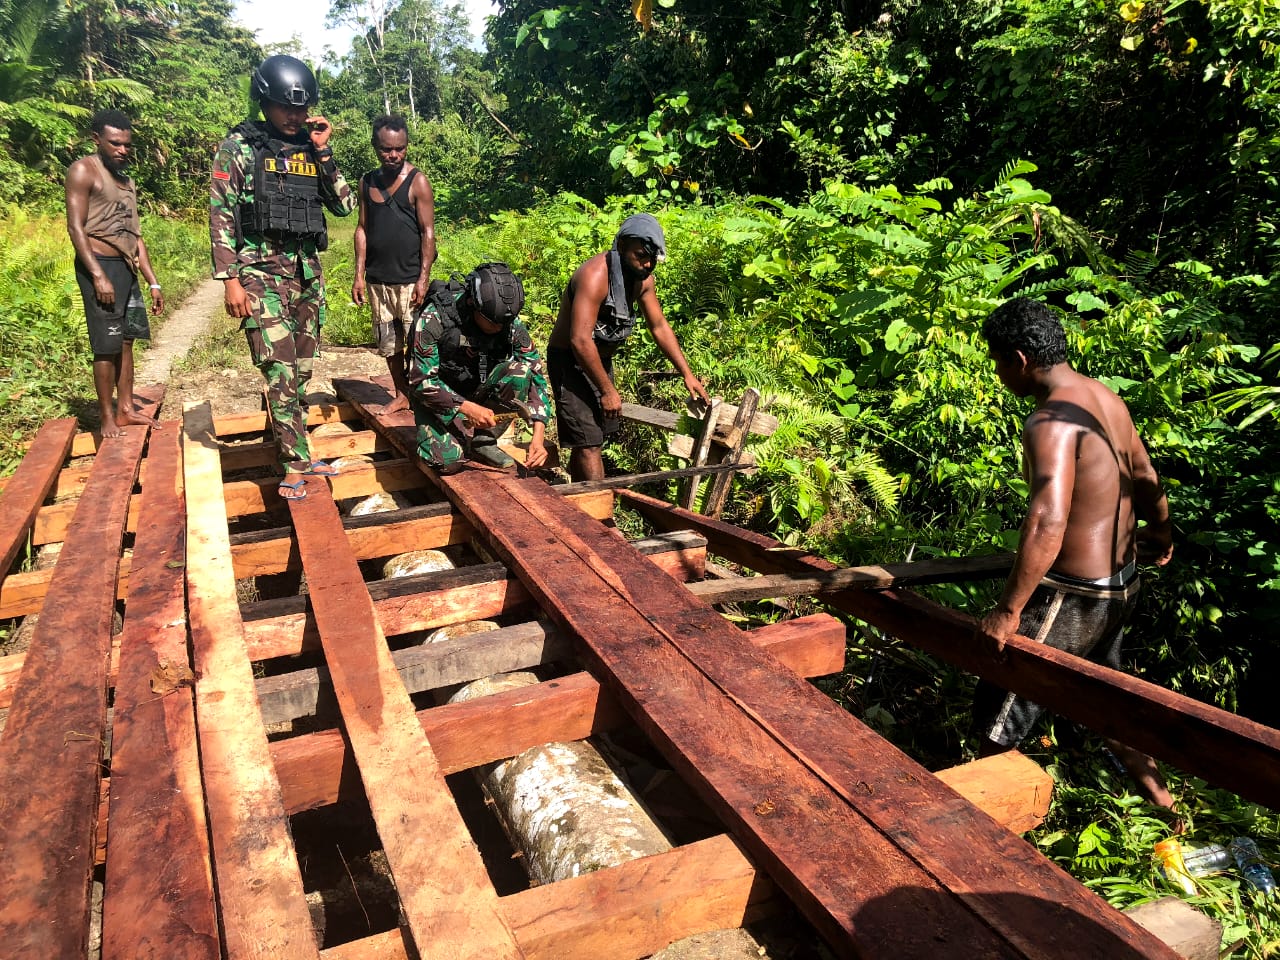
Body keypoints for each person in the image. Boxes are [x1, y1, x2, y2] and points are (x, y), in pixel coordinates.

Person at [972, 297, 1177, 814]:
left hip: (1073, 596)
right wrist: (1163, 529)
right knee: (1105, 701)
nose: (998, 373)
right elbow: (1146, 474)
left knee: (999, 720)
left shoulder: (1050, 421)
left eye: (997, 361)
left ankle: (981, 825)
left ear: (1019, 359)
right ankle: (1165, 805)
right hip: (1121, 584)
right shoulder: (1103, 397)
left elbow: (1048, 518)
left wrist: (1009, 609)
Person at [210, 55, 355, 501]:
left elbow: (344, 205)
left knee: (304, 368)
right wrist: (230, 278)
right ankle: (293, 464)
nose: (293, 116)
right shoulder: (240, 147)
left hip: (307, 274)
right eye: (284, 108)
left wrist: (323, 149)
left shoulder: (310, 147)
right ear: (264, 102)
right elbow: (221, 213)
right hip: (259, 273)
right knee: (280, 370)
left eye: (301, 108)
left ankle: (294, 446)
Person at [548, 213, 709, 481]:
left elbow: (658, 326)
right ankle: (600, 517)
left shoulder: (643, 279)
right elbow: (579, 340)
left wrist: (687, 374)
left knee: (592, 435)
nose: (647, 263)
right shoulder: (594, 276)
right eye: (640, 255)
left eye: (652, 258)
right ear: (621, 246)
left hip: (598, 359)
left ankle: (579, 499)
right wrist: (608, 390)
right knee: (589, 442)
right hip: (569, 359)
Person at [65, 109, 163, 439]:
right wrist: (96, 274)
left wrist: (153, 281)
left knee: (126, 341)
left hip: (125, 268)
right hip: (100, 267)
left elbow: (135, 237)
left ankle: (126, 410)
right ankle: (106, 416)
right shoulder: (83, 171)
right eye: (115, 144)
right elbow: (75, 227)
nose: (122, 150)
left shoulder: (126, 181)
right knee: (105, 346)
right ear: (97, 140)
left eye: (127, 145)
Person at [405, 262, 551, 473]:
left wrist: (538, 436)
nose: (499, 328)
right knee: (449, 463)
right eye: (493, 322)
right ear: (473, 303)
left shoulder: (507, 321)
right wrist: (466, 408)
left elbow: (535, 372)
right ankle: (449, 433)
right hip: (436, 397)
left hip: (478, 386)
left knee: (520, 372)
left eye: (503, 323)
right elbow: (420, 381)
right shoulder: (436, 317)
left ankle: (484, 442)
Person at [351, 115, 437, 415]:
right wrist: (358, 275)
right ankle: (401, 394)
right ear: (376, 146)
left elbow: (428, 233)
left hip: (410, 281)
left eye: (400, 149)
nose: (394, 155)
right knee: (390, 345)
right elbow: (361, 228)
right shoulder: (367, 181)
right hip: (377, 280)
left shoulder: (418, 182)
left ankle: (423, 397)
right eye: (387, 149)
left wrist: (423, 278)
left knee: (418, 343)